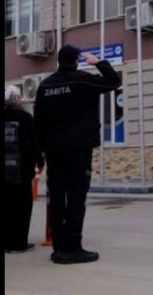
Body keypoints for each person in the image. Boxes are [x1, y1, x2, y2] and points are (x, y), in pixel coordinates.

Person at [35, 45, 121, 264]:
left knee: (56, 198)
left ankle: (59, 247)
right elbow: (113, 81)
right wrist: (99, 63)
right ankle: (72, 248)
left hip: (53, 151)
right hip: (78, 149)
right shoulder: (83, 80)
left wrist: (40, 154)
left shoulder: (45, 86)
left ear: (58, 61)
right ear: (75, 61)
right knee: (76, 197)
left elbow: (39, 122)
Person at [5, 84, 42, 253]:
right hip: (21, 170)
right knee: (22, 207)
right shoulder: (25, 118)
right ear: (14, 100)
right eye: (19, 97)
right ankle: (19, 242)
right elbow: (33, 143)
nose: (21, 99)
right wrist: (39, 161)